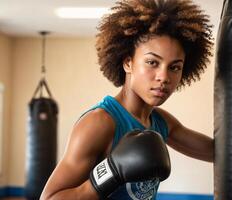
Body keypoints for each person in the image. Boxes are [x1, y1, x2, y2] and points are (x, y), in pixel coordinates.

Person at [40, 0, 214, 199]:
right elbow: (49, 198)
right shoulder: (99, 123)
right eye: (152, 62)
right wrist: (110, 173)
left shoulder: (160, 122)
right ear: (128, 63)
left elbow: (217, 152)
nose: (163, 77)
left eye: (174, 67)